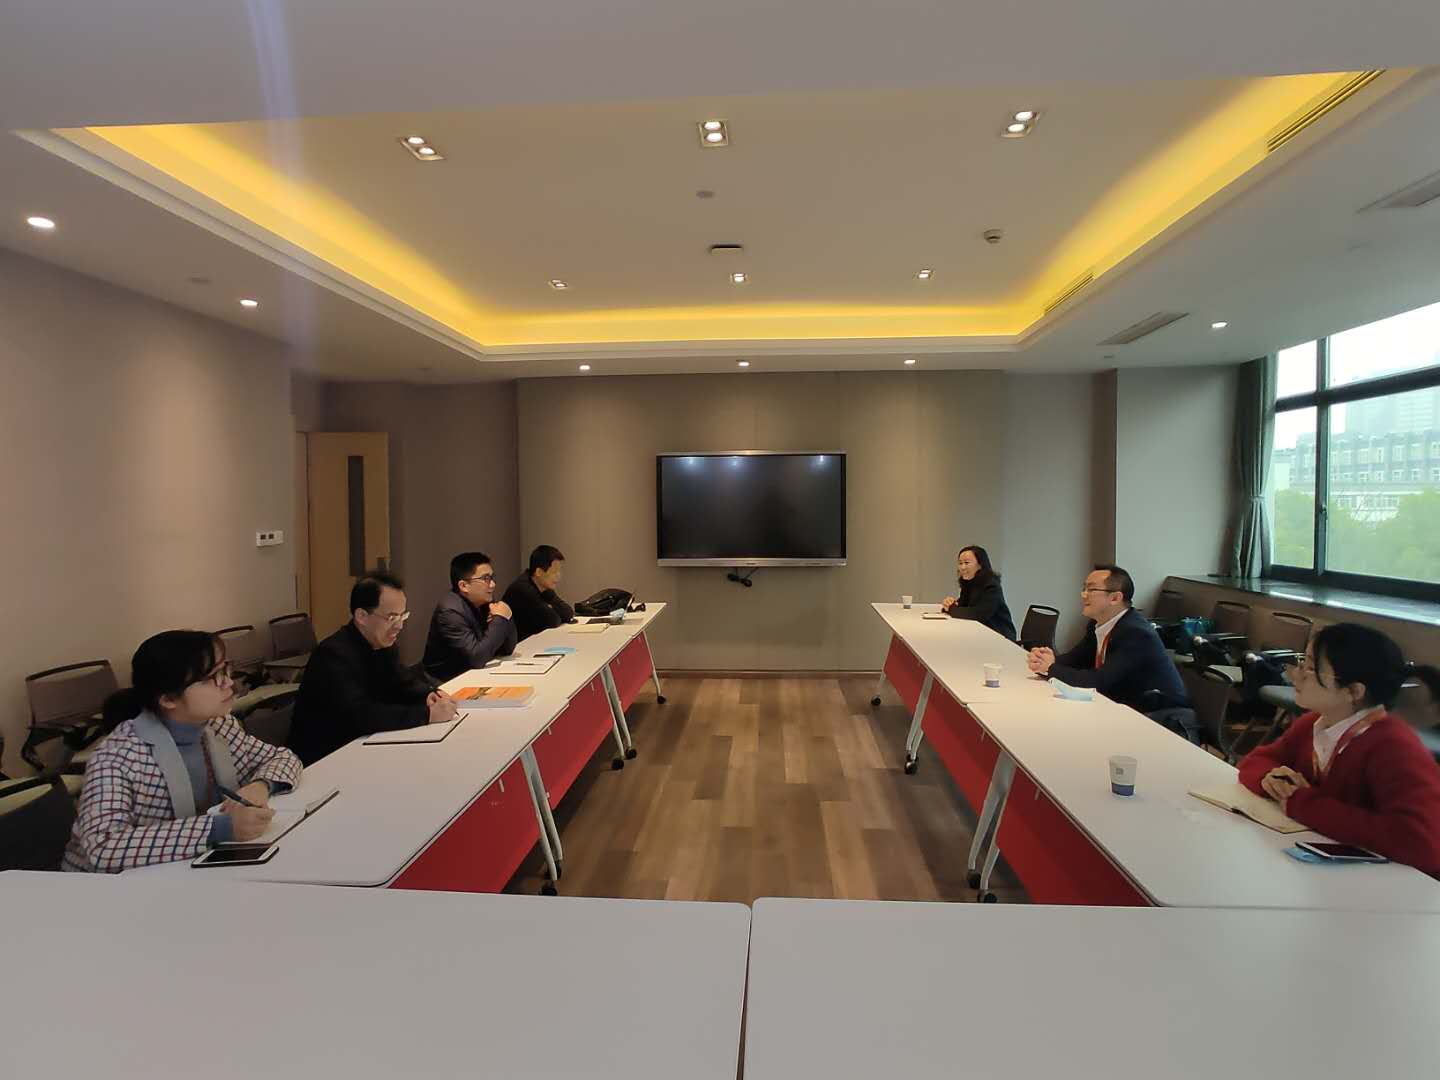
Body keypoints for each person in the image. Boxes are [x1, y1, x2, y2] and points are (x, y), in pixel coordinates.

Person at [64, 630, 303, 873]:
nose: (229, 682)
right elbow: (104, 846)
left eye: (225, 669)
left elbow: (283, 757)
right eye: (212, 677)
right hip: (105, 886)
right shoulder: (117, 757)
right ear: (168, 699)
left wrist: (260, 785)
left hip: (187, 868)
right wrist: (219, 829)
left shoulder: (218, 726)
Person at [1238, 624, 1440, 878]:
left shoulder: (1394, 746)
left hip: (1403, 885)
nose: (1296, 675)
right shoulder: (1314, 723)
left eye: (1311, 669)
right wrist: (1272, 780)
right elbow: (1256, 760)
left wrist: (1302, 802)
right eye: (1302, 662)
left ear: (1353, 691)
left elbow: (1421, 844)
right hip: (1332, 872)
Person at [290, 572, 459, 765]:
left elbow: (402, 683)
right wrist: (427, 715)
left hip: (367, 744)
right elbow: (361, 715)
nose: (399, 626)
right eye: (392, 617)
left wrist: (428, 695)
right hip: (326, 757)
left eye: (403, 616)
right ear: (362, 616)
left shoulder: (383, 644)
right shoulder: (333, 654)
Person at [1027, 564, 1188, 714]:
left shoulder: (1136, 633)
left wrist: (1051, 668)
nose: (1083, 595)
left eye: (1091, 589)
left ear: (1115, 598)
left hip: (1161, 715)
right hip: (1125, 706)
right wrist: (1047, 659)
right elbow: (1076, 659)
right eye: (1084, 589)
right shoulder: (1098, 624)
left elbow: (1098, 681)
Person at [422, 551, 518, 681]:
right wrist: (500, 619)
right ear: (464, 586)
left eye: (492, 577)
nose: (493, 584)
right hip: (446, 682)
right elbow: (476, 658)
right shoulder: (450, 612)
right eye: (485, 579)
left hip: (474, 674)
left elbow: (507, 649)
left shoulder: (484, 600)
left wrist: (506, 616)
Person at [502, 544, 577, 642]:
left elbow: (568, 613)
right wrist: (551, 608)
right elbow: (552, 620)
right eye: (554, 572)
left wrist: (551, 607)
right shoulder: (523, 589)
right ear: (539, 572)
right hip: (517, 646)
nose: (559, 576)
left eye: (559, 571)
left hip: (533, 641)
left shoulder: (544, 587)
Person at [939, 545, 1016, 641]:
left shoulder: (991, 585)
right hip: (979, 633)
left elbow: (978, 614)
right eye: (960, 563)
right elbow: (962, 607)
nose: (962, 567)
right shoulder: (968, 582)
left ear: (980, 565)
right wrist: (949, 604)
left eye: (966, 563)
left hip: (999, 636)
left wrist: (951, 608)